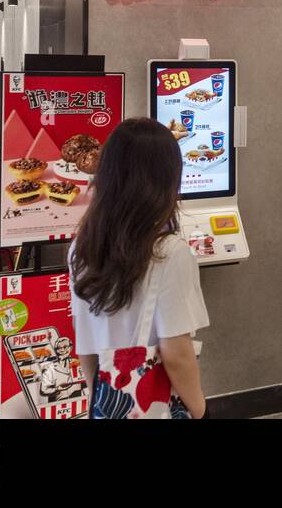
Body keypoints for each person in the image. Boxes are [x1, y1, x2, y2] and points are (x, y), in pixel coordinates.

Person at [69, 117, 209, 419]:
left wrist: (99, 396)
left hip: (106, 401)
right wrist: (200, 410)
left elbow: (86, 338)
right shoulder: (169, 252)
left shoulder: (82, 247)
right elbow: (176, 353)